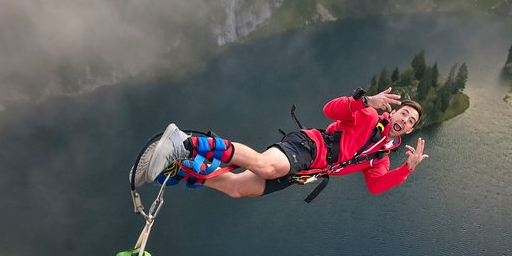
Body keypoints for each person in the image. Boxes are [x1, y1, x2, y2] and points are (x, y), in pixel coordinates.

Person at [134, 87, 429, 200]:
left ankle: (178, 168)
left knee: (237, 189)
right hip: (310, 146)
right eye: (404, 112)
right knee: (265, 166)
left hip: (304, 172)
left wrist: (406, 169)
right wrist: (363, 100)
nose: (405, 119)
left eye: (411, 121)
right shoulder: (367, 115)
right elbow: (330, 110)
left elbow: (376, 186)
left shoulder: (381, 158)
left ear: (407, 131)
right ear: (394, 112)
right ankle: (186, 143)